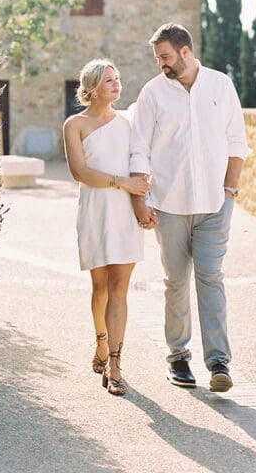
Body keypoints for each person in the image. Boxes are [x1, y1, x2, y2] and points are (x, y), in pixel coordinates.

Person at [129, 22, 250, 393]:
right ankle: (178, 357)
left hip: (215, 204)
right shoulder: (152, 94)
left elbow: (236, 141)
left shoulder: (220, 85)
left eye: (164, 56)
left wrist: (230, 191)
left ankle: (218, 362)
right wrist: (140, 202)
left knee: (211, 277)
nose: (160, 64)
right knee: (176, 281)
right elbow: (139, 150)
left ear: (185, 51)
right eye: (157, 58)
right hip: (169, 206)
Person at [63, 59, 149, 396]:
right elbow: (80, 172)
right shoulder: (75, 125)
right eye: (109, 80)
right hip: (95, 213)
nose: (116, 85)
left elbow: (142, 162)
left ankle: (115, 365)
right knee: (100, 288)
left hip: (125, 214)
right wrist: (122, 183)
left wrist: (142, 200)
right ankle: (100, 341)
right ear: (93, 87)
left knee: (119, 290)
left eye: (118, 79)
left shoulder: (129, 122)